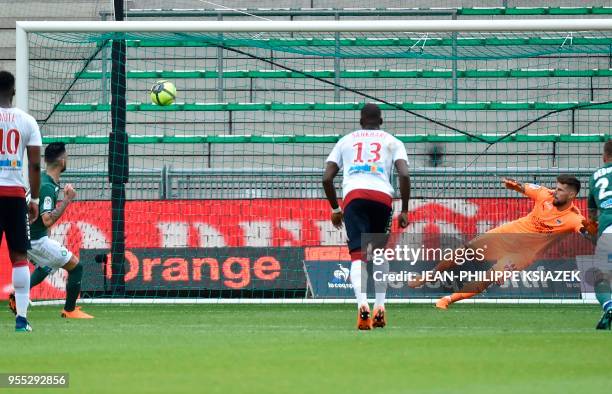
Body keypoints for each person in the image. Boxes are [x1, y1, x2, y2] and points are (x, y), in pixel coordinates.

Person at [410, 175, 590, 310]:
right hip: (507, 234)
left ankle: (447, 300)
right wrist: (513, 185)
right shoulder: (545, 194)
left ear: (572, 194)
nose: (555, 192)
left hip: (522, 254)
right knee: (464, 251)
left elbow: (588, 233)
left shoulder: (574, 219)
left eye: (560, 190)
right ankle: (430, 275)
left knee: (487, 279)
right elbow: (522, 186)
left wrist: (593, 232)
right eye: (556, 188)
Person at [322, 103, 410, 330]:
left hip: (354, 197)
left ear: (360, 121)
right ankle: (380, 306)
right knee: (380, 254)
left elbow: (326, 178)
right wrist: (405, 209)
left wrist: (335, 209)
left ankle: (362, 305)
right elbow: (404, 174)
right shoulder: (393, 142)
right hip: (382, 198)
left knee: (357, 257)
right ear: (381, 121)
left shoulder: (346, 140)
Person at [9, 142, 93, 319]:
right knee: (76, 266)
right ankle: (69, 310)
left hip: (26, 235)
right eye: (67, 157)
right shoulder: (47, 187)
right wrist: (67, 200)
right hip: (35, 240)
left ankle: (17, 297)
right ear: (62, 161)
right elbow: (47, 220)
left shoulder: (43, 180)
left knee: (47, 266)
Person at [0, 70, 41, 332]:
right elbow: (35, 165)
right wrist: (34, 198)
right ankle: (21, 320)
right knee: (19, 257)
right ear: (14, 91)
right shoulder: (27, 121)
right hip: (14, 196)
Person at [586, 140, 612, 329]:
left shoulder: (596, 175)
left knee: (602, 277)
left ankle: (609, 307)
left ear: (604, 157)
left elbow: (592, 213)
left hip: (608, 229)